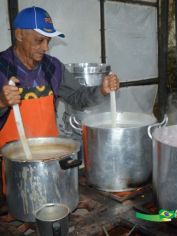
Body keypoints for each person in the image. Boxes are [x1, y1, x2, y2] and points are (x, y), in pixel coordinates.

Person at [0, 7, 119, 193]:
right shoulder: (1, 68)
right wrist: (1, 102)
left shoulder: (52, 67)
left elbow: (78, 98)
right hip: (10, 168)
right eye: (39, 40)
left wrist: (101, 90)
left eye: (48, 40)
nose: (46, 47)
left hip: (49, 164)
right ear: (19, 35)